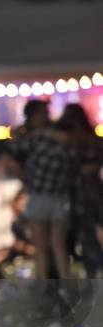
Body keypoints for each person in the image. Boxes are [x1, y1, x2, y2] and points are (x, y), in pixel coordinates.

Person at [9, 104, 80, 281]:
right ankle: (46, 287)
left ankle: (60, 285)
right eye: (43, 113)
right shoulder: (28, 138)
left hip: (56, 195)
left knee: (57, 244)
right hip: (40, 195)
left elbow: (70, 142)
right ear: (33, 116)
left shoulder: (50, 133)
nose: (47, 115)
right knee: (43, 246)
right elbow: (13, 159)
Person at [57, 104, 103, 278]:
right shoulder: (90, 138)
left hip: (81, 193)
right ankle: (92, 270)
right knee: (87, 234)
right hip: (89, 191)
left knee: (86, 234)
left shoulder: (71, 141)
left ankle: (93, 269)